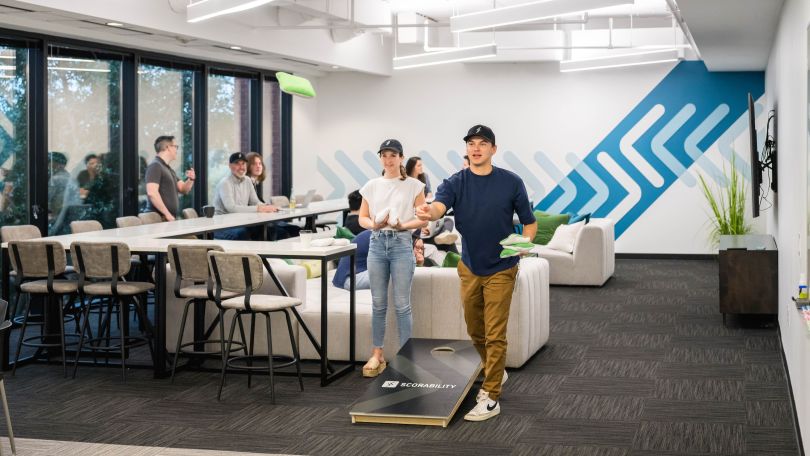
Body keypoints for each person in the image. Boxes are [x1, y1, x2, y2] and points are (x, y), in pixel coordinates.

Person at [416, 124, 537, 422]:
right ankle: (496, 370)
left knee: (495, 333)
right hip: (470, 266)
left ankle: (491, 395)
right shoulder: (456, 182)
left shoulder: (511, 182)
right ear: (467, 149)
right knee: (475, 330)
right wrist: (428, 212)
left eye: (483, 143)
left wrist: (523, 244)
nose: (477, 147)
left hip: (502, 267)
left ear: (493, 149)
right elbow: (438, 207)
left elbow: (529, 223)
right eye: (472, 143)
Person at [357, 139, 427, 378]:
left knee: (402, 304)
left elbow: (423, 219)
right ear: (380, 158)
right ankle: (377, 354)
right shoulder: (371, 185)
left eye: (393, 155)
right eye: (384, 155)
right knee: (378, 304)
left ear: (400, 158)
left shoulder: (414, 186)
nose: (389, 159)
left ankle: (407, 356)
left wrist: (403, 225)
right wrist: (374, 224)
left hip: (401, 244)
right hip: (377, 244)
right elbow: (362, 218)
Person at [212, 152, 279, 240]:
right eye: (237, 164)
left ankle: (265, 253)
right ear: (230, 166)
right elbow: (231, 208)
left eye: (243, 164)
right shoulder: (225, 183)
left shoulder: (247, 180)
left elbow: (255, 201)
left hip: (239, 223)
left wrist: (267, 207)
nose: (241, 167)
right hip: (222, 227)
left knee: (268, 228)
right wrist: (258, 208)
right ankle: (253, 254)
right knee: (243, 234)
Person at [144, 135, 195, 221]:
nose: (176, 150)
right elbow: (152, 193)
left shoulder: (168, 169)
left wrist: (191, 179)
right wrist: (167, 214)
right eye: (175, 146)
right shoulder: (155, 166)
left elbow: (183, 189)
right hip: (158, 219)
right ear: (168, 147)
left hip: (165, 218)